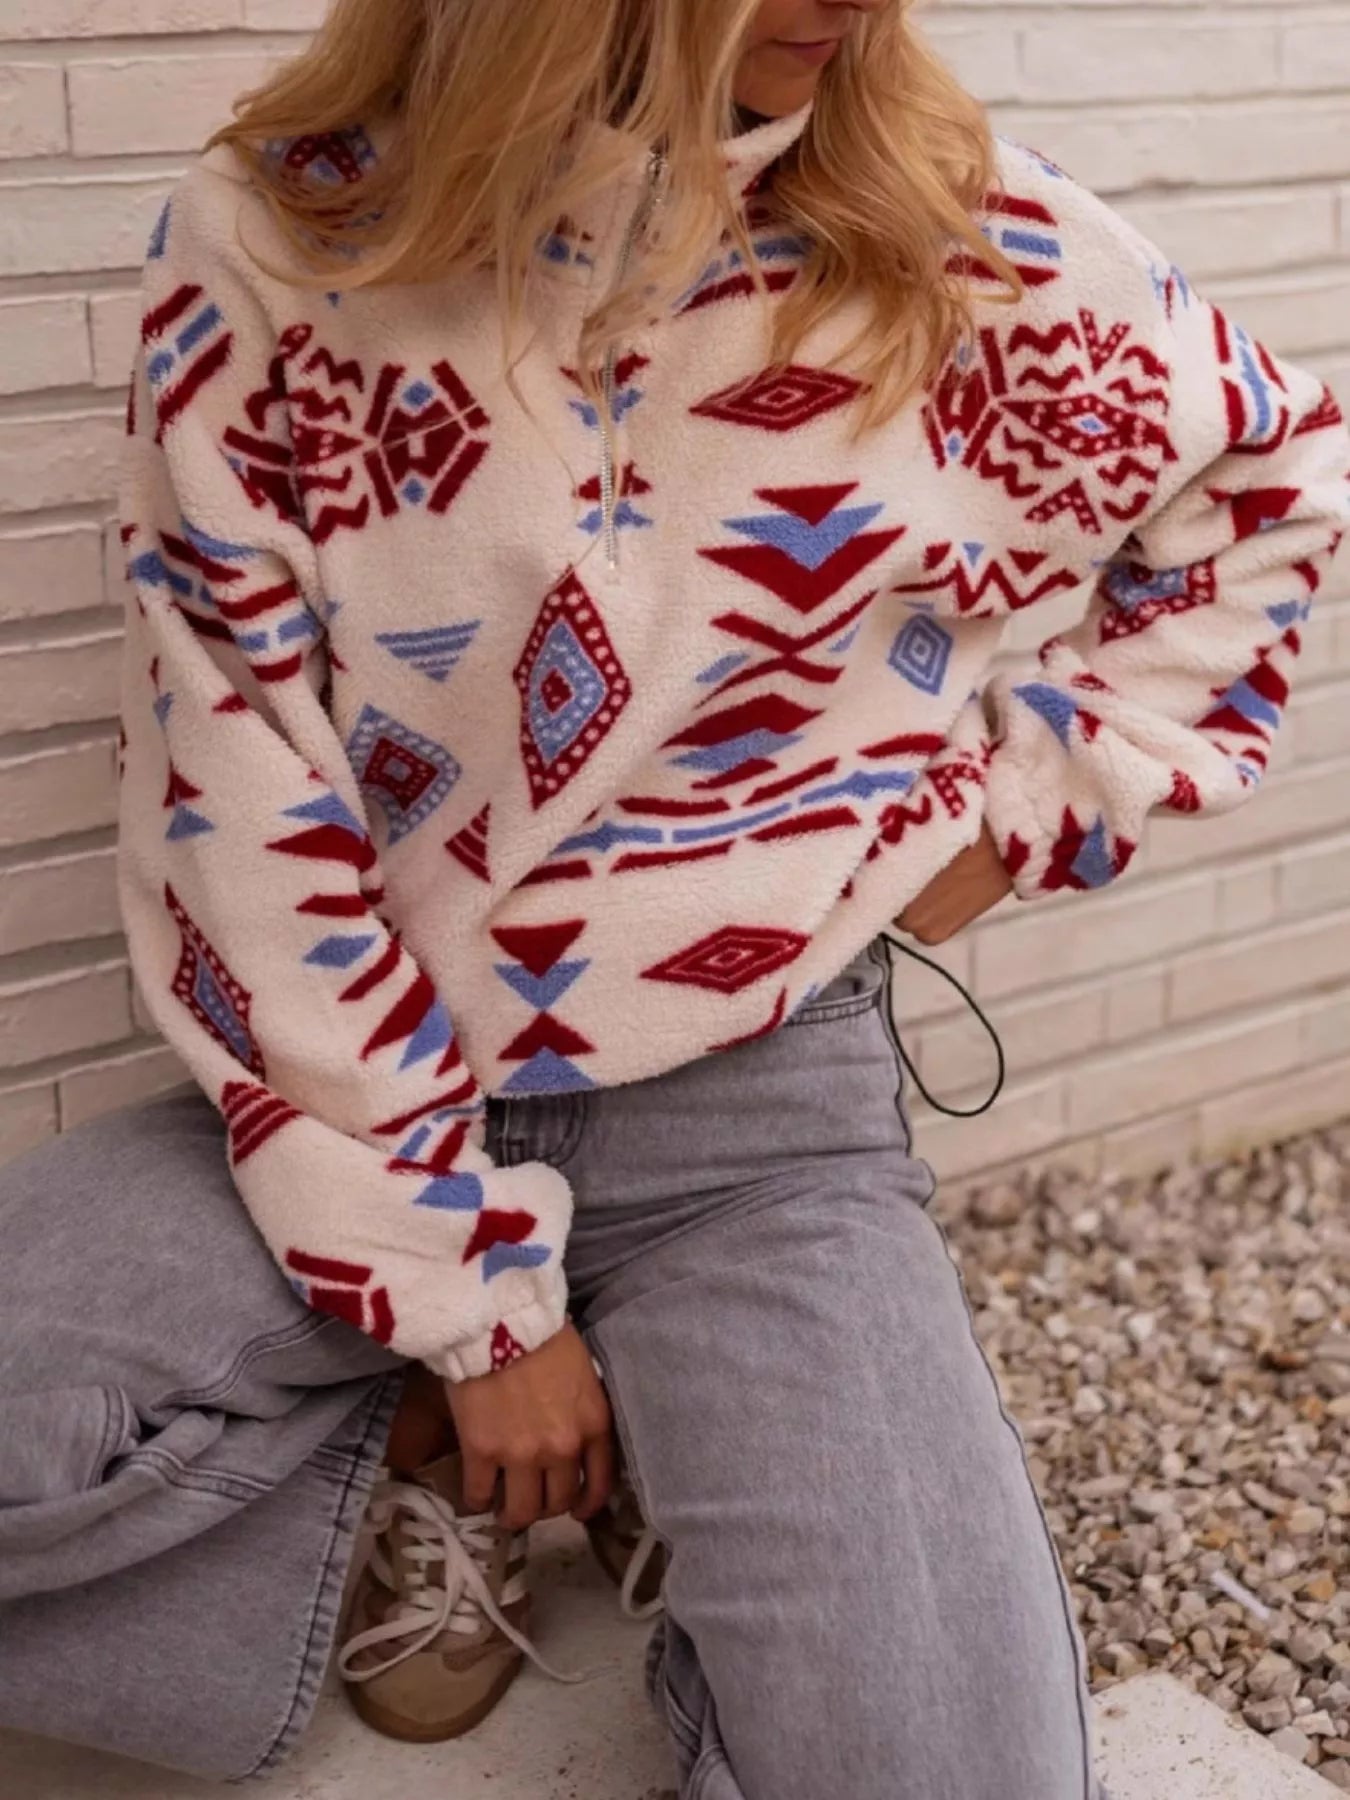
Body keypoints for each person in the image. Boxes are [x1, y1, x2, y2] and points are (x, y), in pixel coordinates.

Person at [1, 0, 1347, 1794]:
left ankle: (667, 1453)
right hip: (364, 1104)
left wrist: (1042, 801)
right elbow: (234, 801)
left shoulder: (934, 223)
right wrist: (464, 1309)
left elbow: (1265, 472)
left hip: (754, 1118)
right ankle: (431, 1448)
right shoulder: (281, 240)